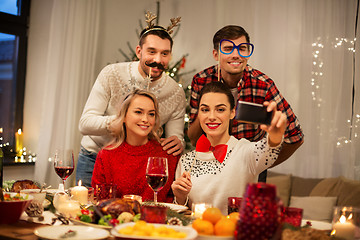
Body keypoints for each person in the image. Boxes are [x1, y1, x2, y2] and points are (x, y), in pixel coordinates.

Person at [76, 13, 185, 187]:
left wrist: (178, 141)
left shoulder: (175, 92)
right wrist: (124, 120)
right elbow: (85, 124)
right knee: (89, 211)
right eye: (152, 52)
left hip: (139, 166)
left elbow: (174, 138)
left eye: (165, 53)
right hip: (95, 157)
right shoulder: (111, 74)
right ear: (139, 51)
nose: (158, 60)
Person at [187, 25, 304, 182]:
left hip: (248, 169)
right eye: (228, 48)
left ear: (248, 53)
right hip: (210, 164)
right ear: (216, 54)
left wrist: (263, 164)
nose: (236, 55)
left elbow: (296, 137)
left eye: (242, 48)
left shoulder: (263, 85)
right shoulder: (201, 81)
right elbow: (193, 136)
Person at [171, 82, 287, 214]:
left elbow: (269, 149)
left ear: (232, 113)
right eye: (205, 109)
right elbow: (181, 214)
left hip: (234, 231)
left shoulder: (245, 152)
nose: (212, 117)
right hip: (197, 231)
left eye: (220, 109)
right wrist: (180, 198)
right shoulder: (186, 160)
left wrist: (275, 135)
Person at [92, 89, 179, 202]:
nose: (145, 119)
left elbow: (173, 202)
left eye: (151, 114)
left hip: (155, 219)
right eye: (138, 112)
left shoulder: (167, 154)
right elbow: (99, 201)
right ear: (124, 116)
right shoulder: (106, 155)